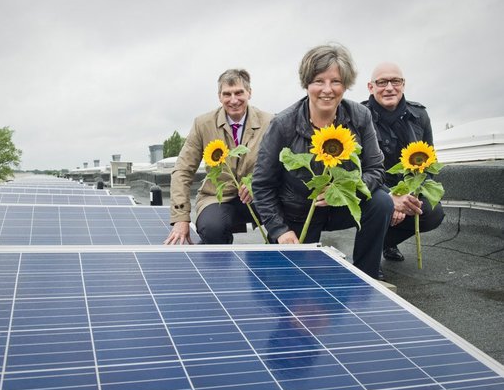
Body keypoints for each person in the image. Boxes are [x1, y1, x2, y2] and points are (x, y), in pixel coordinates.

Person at [252, 44, 393, 280]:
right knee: (296, 285)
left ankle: (366, 276)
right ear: (307, 83)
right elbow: (262, 183)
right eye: (319, 81)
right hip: (298, 213)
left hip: (341, 207)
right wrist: (280, 230)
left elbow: (375, 169)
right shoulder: (283, 124)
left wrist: (342, 190)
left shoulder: (360, 117)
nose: (327, 90)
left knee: (381, 202)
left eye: (336, 81)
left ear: (345, 84)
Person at [164, 69, 272, 245]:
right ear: (219, 96)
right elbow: (183, 170)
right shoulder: (202, 124)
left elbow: (280, 165)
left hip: (260, 195)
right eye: (227, 94)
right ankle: (220, 267)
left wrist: (257, 181)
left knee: (288, 220)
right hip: (218, 196)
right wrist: (180, 218)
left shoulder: (270, 122)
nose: (233, 100)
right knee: (212, 228)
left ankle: (269, 263)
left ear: (249, 93)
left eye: (239, 92)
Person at [363, 62, 444, 261]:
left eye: (395, 81)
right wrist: (390, 199)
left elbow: (429, 163)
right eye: (382, 82)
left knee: (433, 212)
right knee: (380, 206)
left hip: (408, 187)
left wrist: (409, 195)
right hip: (372, 187)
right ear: (370, 87)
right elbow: (356, 169)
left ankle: (385, 242)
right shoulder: (359, 115)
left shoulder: (420, 116)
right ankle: (367, 256)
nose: (389, 87)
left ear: (403, 84)